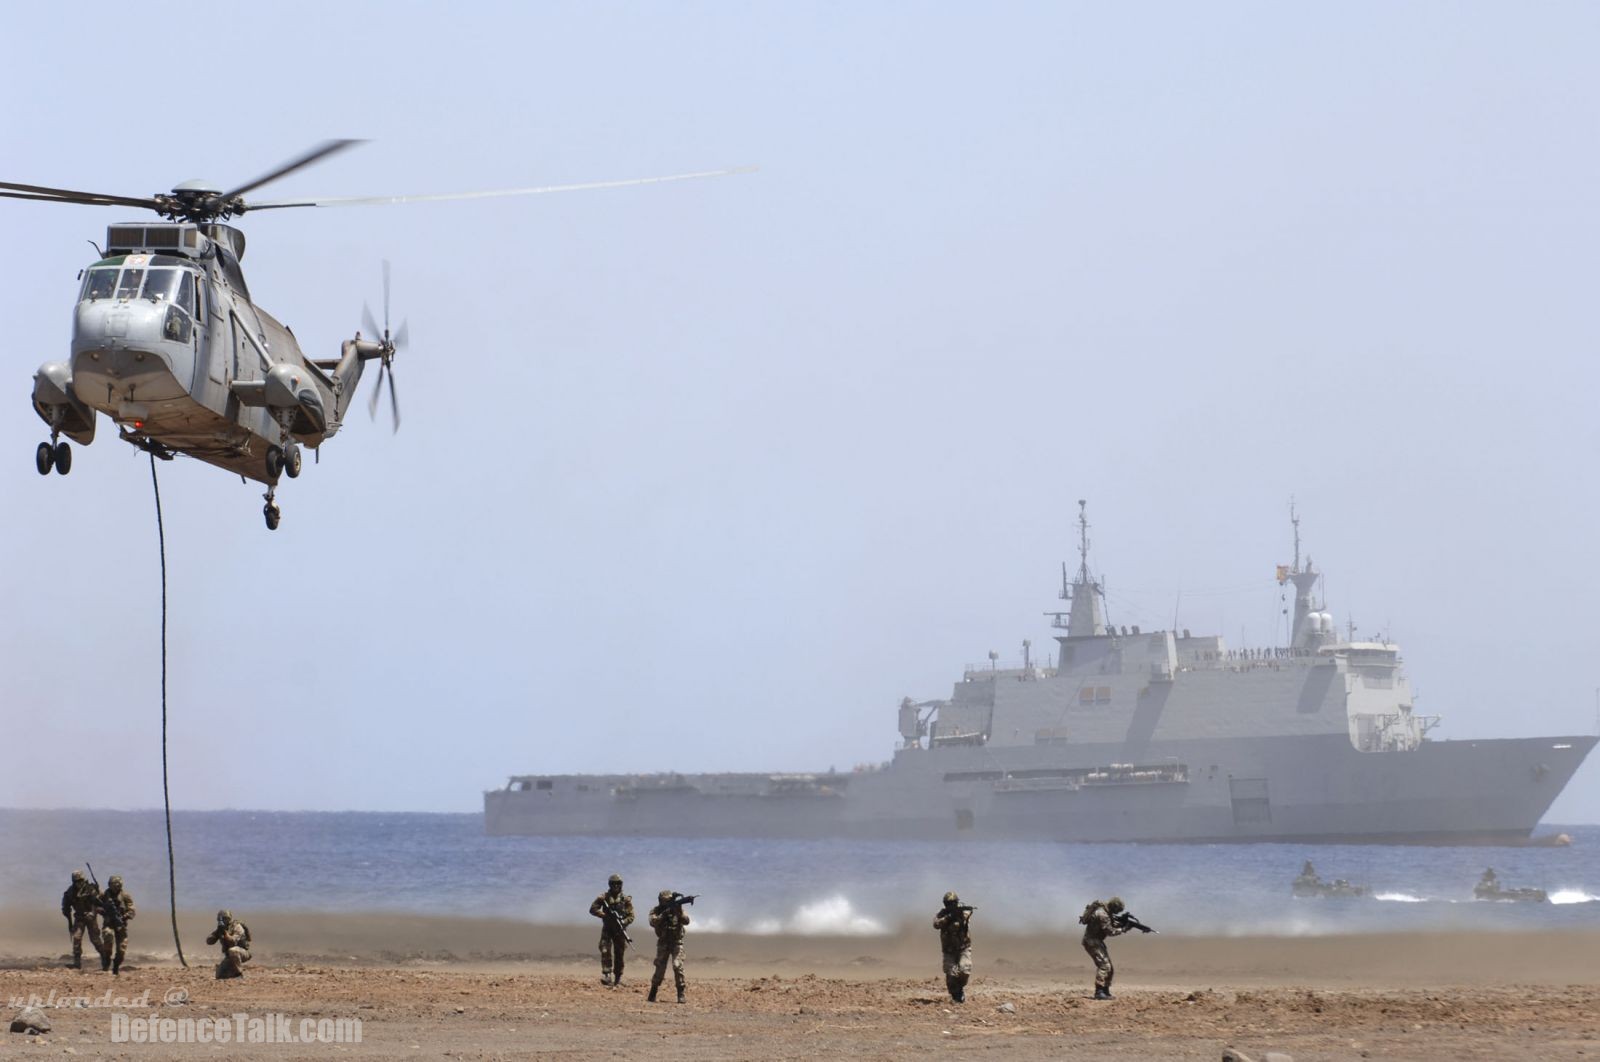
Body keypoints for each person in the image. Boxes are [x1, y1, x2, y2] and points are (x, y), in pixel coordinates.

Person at [1080, 896, 1131, 1000]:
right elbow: (1110, 931)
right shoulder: (1103, 914)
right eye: (1117, 911)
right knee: (1104, 965)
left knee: (1110, 968)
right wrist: (1124, 929)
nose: (1116, 913)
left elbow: (1110, 924)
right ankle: (1099, 992)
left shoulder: (1106, 912)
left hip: (1097, 941)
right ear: (1113, 907)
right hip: (1091, 941)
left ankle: (1105, 990)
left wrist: (1122, 922)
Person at [588, 874, 634, 987]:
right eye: (613, 883)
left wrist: (623, 922)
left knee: (619, 954)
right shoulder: (604, 897)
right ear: (610, 884)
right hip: (607, 929)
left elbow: (631, 916)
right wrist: (605, 915)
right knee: (605, 950)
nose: (616, 886)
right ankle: (607, 975)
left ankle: (618, 978)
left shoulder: (625, 899)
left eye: (618, 883)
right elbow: (593, 909)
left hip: (620, 930)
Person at [646, 890, 691, 1004]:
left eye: (669, 900)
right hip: (663, 943)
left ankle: (681, 993)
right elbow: (652, 922)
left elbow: (686, 921)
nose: (667, 902)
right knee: (660, 968)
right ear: (660, 901)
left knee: (677, 966)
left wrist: (679, 911)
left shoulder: (677, 908)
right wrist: (663, 915)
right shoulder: (656, 910)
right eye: (665, 901)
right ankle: (653, 991)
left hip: (677, 942)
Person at [60, 870, 107, 970]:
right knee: (76, 938)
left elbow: (98, 904)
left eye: (80, 881)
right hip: (79, 918)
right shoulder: (71, 891)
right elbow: (66, 905)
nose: (78, 883)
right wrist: (66, 911)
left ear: (84, 880)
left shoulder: (90, 889)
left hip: (91, 917)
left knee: (95, 940)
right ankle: (77, 964)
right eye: (76, 881)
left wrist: (93, 913)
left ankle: (105, 958)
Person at [932, 891, 973, 1003]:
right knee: (951, 973)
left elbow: (967, 914)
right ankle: (956, 994)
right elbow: (936, 924)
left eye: (952, 903)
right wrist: (949, 917)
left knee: (965, 970)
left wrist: (957, 915)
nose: (950, 906)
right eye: (948, 904)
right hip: (948, 950)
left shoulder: (962, 912)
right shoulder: (942, 914)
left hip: (963, 947)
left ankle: (960, 987)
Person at [99, 875, 135, 975]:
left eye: (117, 885)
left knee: (121, 949)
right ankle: (106, 961)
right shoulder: (105, 895)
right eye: (114, 885)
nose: (116, 887)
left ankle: (115, 966)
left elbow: (132, 910)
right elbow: (96, 905)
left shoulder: (125, 896)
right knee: (108, 936)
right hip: (109, 924)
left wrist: (124, 917)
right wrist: (104, 911)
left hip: (121, 925)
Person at [206, 910, 252, 979]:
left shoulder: (237, 927)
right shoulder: (220, 929)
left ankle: (239, 974)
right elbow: (209, 941)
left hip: (242, 952)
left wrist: (225, 933)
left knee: (233, 950)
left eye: (224, 919)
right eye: (220, 919)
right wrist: (217, 933)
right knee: (219, 975)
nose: (223, 921)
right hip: (230, 956)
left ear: (229, 918)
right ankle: (232, 973)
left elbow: (232, 941)